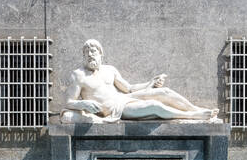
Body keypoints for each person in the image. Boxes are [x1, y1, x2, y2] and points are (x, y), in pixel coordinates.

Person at [61, 39, 219, 123]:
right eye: (87, 53)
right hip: (115, 110)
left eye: (93, 52)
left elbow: (129, 88)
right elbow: (68, 101)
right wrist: (83, 104)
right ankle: (192, 117)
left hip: (124, 98)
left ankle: (196, 109)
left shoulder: (110, 69)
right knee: (154, 106)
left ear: (101, 54)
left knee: (165, 92)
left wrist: (150, 82)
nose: (90, 55)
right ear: (83, 56)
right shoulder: (79, 75)